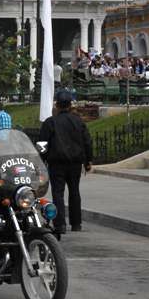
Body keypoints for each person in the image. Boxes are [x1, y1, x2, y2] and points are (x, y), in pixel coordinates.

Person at [38, 89, 93, 233]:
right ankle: (76, 223)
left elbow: (42, 144)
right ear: (70, 105)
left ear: (56, 105)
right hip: (75, 163)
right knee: (75, 191)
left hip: (56, 163)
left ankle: (60, 224)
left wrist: (41, 160)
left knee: (58, 193)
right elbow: (87, 141)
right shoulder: (78, 121)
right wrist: (88, 161)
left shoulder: (50, 122)